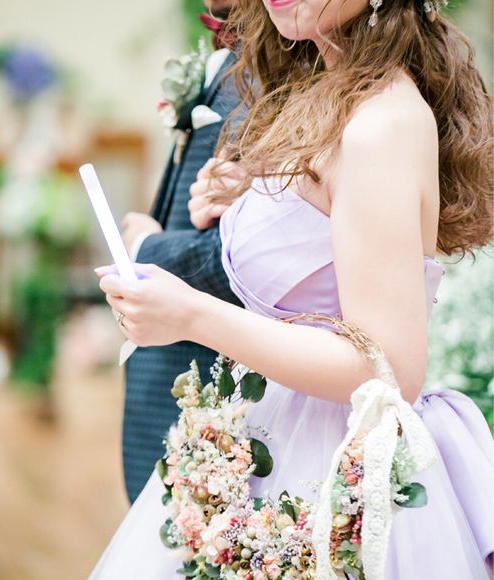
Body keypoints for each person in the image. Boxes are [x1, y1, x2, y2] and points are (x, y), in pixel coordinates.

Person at [92, 0, 494, 576]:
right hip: (266, 441)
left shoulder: (383, 123)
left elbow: (388, 371)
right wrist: (251, 197)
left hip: (329, 470)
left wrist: (192, 315)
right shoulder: (324, 92)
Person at [118, 0, 243, 503]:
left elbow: (246, 255)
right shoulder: (229, 65)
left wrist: (147, 248)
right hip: (169, 376)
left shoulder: (265, 79)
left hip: (209, 385)